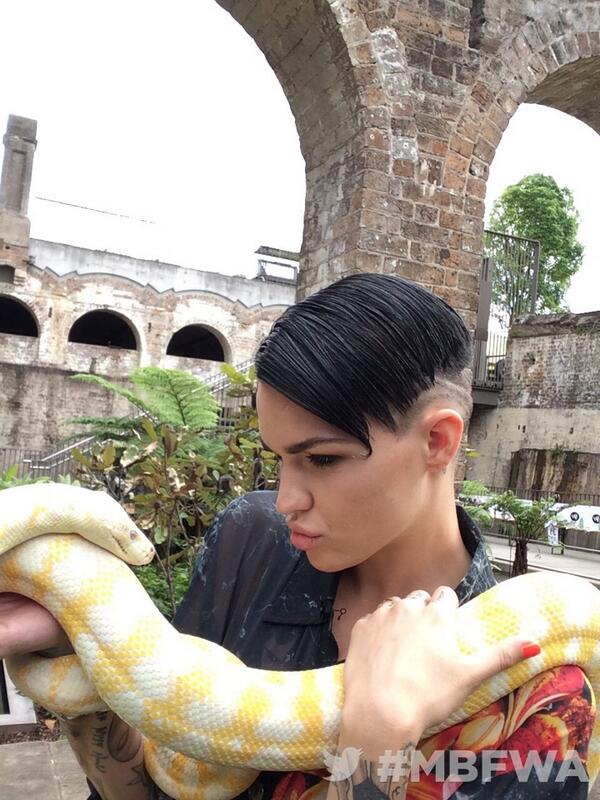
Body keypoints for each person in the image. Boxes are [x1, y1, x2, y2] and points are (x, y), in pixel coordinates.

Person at [0, 274, 593, 800]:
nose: (287, 499)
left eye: (324, 460)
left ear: (438, 441)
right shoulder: (250, 540)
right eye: (280, 458)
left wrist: (374, 751)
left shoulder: (543, 690)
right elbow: (153, 785)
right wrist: (71, 645)